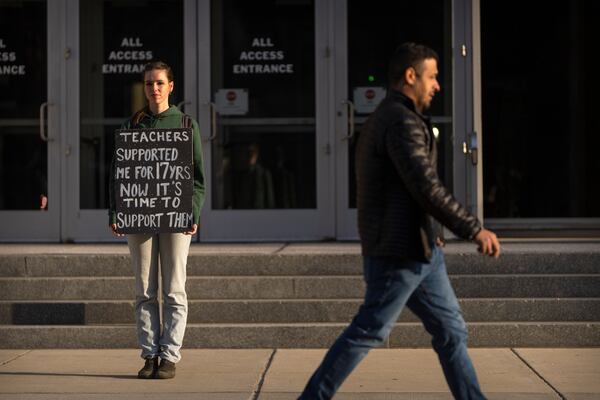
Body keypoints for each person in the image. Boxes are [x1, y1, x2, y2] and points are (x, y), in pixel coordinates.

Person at [298, 43, 501, 400]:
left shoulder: (396, 117)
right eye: (432, 76)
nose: (437, 85)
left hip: (423, 250)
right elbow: (426, 186)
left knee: (451, 331)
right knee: (370, 330)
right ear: (411, 76)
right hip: (399, 250)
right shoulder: (399, 121)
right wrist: (473, 228)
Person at [108, 61, 205, 379]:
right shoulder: (132, 125)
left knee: (175, 289)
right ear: (144, 87)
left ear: (171, 86)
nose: (154, 88)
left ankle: (170, 355)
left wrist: (193, 212)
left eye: (160, 83)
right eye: (149, 83)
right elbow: (118, 176)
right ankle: (149, 354)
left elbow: (198, 177)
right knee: (144, 290)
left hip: (176, 217)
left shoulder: (186, 123)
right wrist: (116, 211)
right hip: (139, 216)